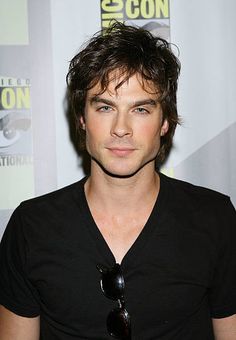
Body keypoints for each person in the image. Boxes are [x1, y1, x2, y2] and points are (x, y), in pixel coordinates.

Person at [0, 21, 236, 340]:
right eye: (105, 107)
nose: (121, 128)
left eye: (140, 109)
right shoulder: (31, 227)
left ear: (165, 121)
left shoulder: (215, 218)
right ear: (82, 118)